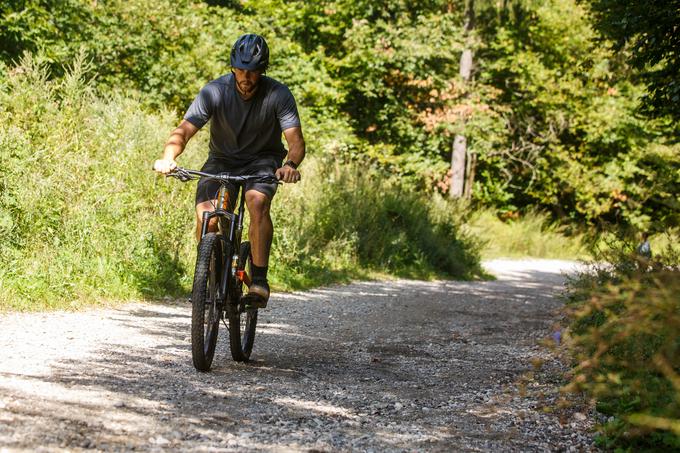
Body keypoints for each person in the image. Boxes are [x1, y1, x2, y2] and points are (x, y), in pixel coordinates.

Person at [153, 33, 305, 307]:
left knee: (256, 201)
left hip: (262, 160)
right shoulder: (214, 91)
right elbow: (184, 131)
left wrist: (289, 166)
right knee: (207, 217)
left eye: (253, 72)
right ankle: (208, 278)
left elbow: (295, 141)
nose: (246, 77)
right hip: (221, 160)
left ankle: (258, 279)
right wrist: (168, 157)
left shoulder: (278, 94)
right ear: (233, 67)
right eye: (241, 70)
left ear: (263, 71)